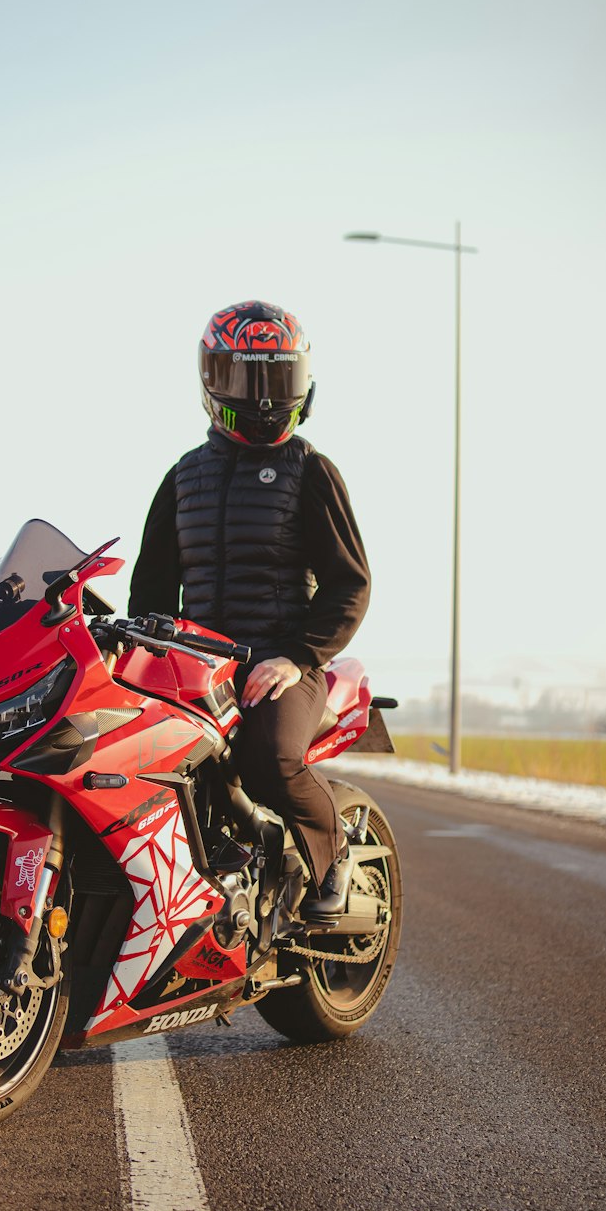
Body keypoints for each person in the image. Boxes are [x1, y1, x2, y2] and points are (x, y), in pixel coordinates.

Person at [129, 299, 371, 917]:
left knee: (269, 757)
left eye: (279, 380)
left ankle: (334, 851)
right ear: (214, 380)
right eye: (250, 379)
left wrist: (296, 657)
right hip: (197, 666)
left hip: (282, 661)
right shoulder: (183, 477)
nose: (266, 399)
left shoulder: (311, 471)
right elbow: (150, 591)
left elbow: (351, 585)